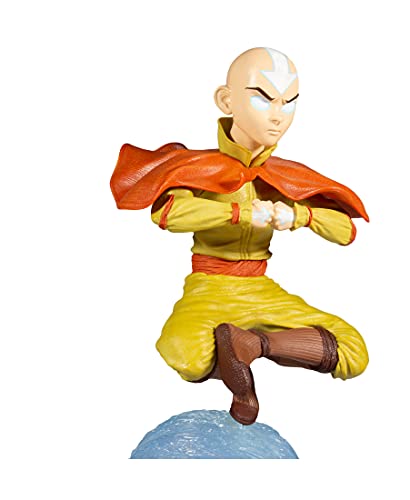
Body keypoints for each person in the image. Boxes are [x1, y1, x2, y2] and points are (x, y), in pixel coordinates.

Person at [111, 47, 369, 425]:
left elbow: (346, 231)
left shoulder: (281, 174)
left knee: (353, 352)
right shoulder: (197, 167)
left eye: (289, 102)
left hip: (263, 289)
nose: (278, 115)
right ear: (226, 100)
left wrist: (298, 215)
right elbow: (168, 214)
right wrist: (240, 213)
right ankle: (234, 349)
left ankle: (251, 344)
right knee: (185, 355)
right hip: (210, 286)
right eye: (263, 98)